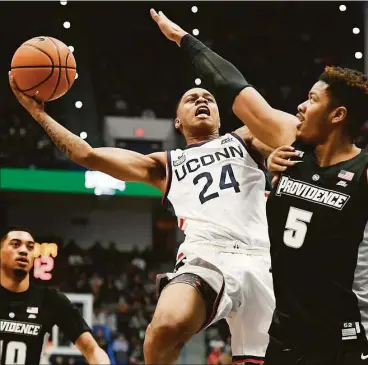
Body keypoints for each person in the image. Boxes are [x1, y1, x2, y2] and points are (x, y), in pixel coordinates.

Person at [150, 10, 368, 365]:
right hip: (289, 339)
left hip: (355, 339)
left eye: (312, 100)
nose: (300, 105)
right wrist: (182, 38)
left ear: (337, 115)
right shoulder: (288, 144)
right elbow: (233, 86)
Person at [9, 75, 275, 365]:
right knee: (164, 328)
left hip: (265, 260)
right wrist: (38, 113)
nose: (201, 100)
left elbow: (294, 136)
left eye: (208, 98)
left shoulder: (245, 139)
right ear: (177, 122)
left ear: (220, 118)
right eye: (191, 98)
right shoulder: (165, 165)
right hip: (207, 255)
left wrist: (284, 158)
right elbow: (87, 155)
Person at [0, 228, 110, 365]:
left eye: (30, 247)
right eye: (15, 244)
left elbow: (92, 349)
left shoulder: (50, 300)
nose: (24, 251)